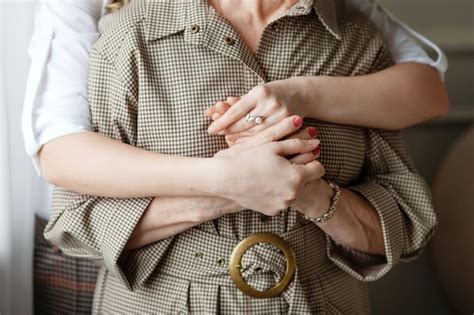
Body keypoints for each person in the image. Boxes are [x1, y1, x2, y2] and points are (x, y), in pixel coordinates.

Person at [23, 0, 448, 313]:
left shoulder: (358, 38)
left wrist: (312, 195)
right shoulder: (124, 39)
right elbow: (76, 211)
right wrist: (233, 183)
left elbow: (403, 219)